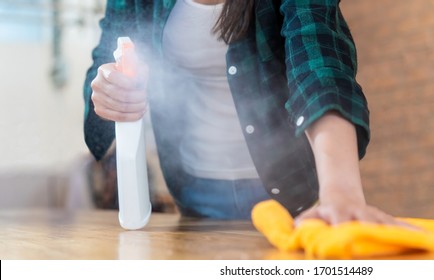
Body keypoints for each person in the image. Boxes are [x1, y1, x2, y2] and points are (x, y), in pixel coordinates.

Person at [84, 0, 404, 226]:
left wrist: (342, 193)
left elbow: (319, 67)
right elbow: (103, 61)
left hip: (287, 190)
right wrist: (107, 90)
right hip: (193, 190)